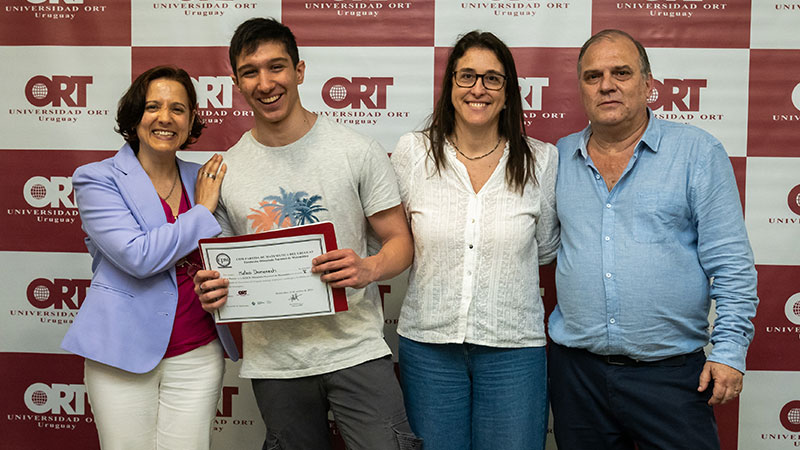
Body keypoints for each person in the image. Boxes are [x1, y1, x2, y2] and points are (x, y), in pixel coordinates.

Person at [192, 18, 420, 450]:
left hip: (356, 349)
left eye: (276, 67)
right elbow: (222, 268)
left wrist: (368, 266)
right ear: (236, 82)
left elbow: (401, 243)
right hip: (276, 363)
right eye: (250, 71)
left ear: (299, 71)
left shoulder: (357, 150)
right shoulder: (226, 171)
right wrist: (215, 290)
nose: (265, 83)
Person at [548, 29, 759, 450]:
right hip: (578, 377)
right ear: (581, 89)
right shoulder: (558, 158)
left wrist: (728, 351)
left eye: (621, 72)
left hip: (671, 378)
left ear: (648, 85)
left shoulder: (697, 153)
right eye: (593, 76)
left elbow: (732, 265)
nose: (606, 84)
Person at [390, 31, 558, 450]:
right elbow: (394, 240)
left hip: (513, 349)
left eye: (492, 79)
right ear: (450, 87)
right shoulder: (413, 152)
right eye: (466, 77)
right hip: (429, 347)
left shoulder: (542, 160)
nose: (478, 89)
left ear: (508, 92)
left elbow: (544, 249)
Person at [61, 65, 239, 450]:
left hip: (198, 350)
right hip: (121, 352)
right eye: (152, 106)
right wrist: (201, 213)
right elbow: (138, 257)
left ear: (191, 119)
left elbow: (230, 256)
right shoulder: (97, 178)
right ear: (133, 116)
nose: (165, 118)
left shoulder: (205, 178)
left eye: (178, 109)